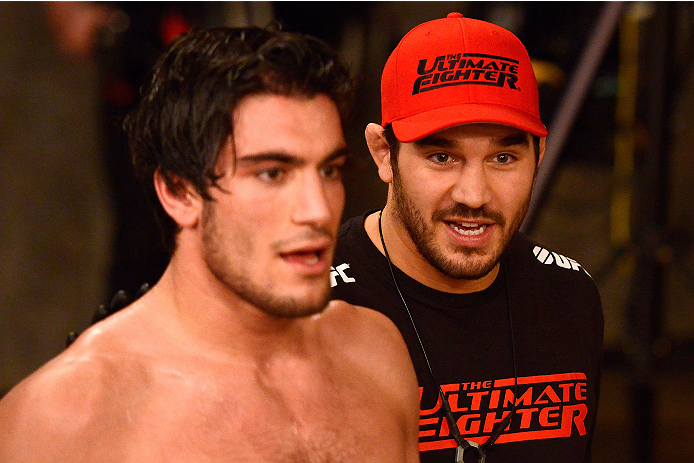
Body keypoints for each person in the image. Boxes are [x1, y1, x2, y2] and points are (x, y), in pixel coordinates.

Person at [0, 26, 421, 463]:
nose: (317, 209)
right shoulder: (66, 419)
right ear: (180, 193)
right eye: (272, 173)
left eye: (329, 170)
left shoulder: (375, 351)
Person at [331, 13, 603, 463]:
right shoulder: (315, 305)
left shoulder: (568, 299)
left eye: (502, 157)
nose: (474, 195)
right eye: (441, 156)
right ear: (384, 154)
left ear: (539, 156)